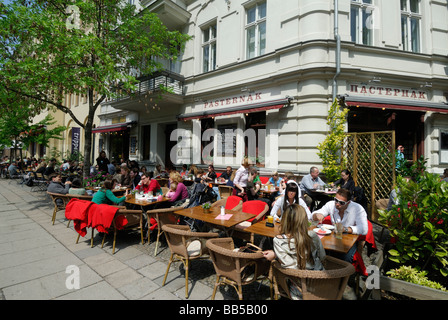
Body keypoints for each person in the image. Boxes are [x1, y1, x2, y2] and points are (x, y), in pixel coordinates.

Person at [263, 204, 326, 299]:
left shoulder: (279, 241)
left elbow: (291, 268)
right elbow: (323, 257)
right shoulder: (313, 235)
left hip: (301, 291)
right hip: (324, 286)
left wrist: (277, 256)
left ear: (285, 220)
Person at [311, 188, 368, 262]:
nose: (337, 204)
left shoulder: (358, 208)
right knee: (318, 250)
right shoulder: (331, 204)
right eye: (336, 200)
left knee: (346, 257)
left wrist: (345, 229)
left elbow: (364, 229)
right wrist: (317, 215)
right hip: (333, 237)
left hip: (349, 238)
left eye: (341, 203)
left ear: (348, 202)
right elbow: (314, 214)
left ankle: (343, 272)